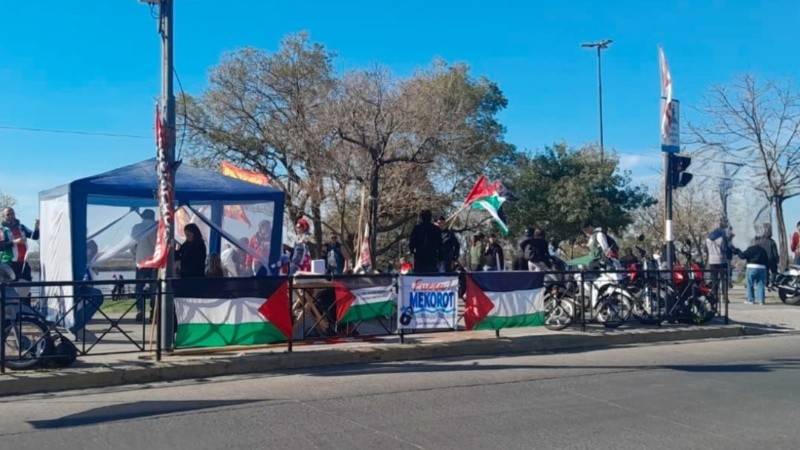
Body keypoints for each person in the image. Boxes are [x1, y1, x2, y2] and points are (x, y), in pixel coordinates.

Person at [0, 207, 39, 297]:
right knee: (10, 285)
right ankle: (10, 306)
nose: (11, 216)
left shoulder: (22, 227)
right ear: (4, 216)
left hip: (23, 261)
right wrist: (14, 242)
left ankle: (25, 304)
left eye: (12, 213)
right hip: (9, 262)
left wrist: (37, 227)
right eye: (8, 214)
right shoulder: (2, 230)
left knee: (27, 280)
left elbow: (34, 237)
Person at [72, 239, 104, 338]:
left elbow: (94, 272)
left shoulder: (88, 261)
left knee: (83, 305)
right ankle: (77, 326)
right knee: (85, 304)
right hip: (82, 286)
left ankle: (79, 326)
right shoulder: (84, 260)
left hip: (84, 285)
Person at [131, 209, 157, 323]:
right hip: (155, 261)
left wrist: (134, 256)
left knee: (139, 288)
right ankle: (154, 311)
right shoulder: (158, 226)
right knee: (154, 288)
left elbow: (132, 244)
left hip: (141, 261)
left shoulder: (137, 227)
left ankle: (140, 310)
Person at [735, 241, 769, 305]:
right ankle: (761, 300)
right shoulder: (763, 250)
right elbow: (767, 260)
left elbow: (742, 256)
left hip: (751, 267)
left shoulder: (750, 249)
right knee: (760, 284)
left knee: (750, 284)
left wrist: (737, 251)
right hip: (762, 267)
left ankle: (750, 300)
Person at [409, 209, 441, 274]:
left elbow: (412, 243)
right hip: (432, 258)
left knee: (420, 278)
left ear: (421, 217)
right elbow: (440, 245)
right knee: (432, 278)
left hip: (420, 258)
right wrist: (440, 257)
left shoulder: (417, 228)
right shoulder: (436, 229)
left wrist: (412, 251)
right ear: (430, 217)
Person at [705, 220, 732, 297]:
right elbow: (724, 248)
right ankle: (724, 295)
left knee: (714, 279)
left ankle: (714, 295)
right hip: (721, 260)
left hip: (712, 261)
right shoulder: (722, 237)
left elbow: (705, 249)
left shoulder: (708, 238)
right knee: (724, 279)